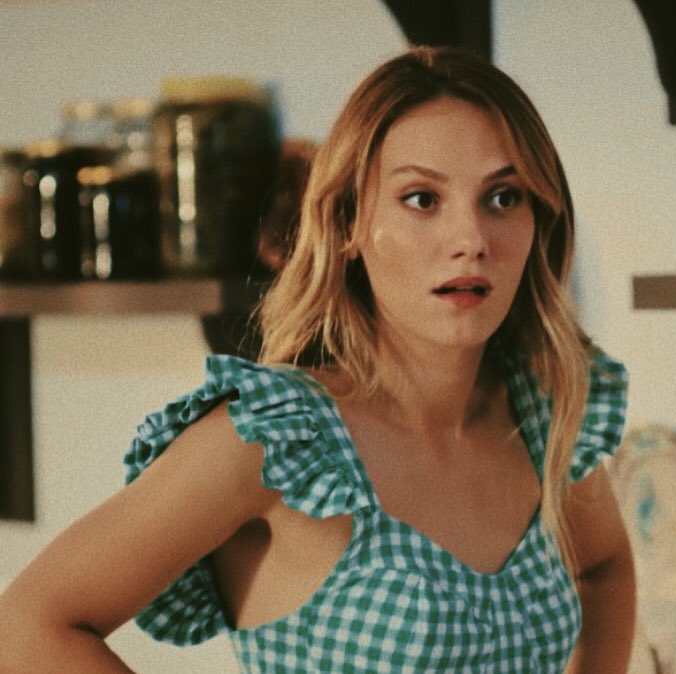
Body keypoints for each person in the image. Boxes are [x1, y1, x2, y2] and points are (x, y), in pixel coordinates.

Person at [0, 45, 635, 673]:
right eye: (421, 199)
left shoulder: (542, 414)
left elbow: (605, 569)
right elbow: (27, 626)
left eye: (503, 198)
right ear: (348, 222)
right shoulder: (279, 441)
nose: (471, 240)